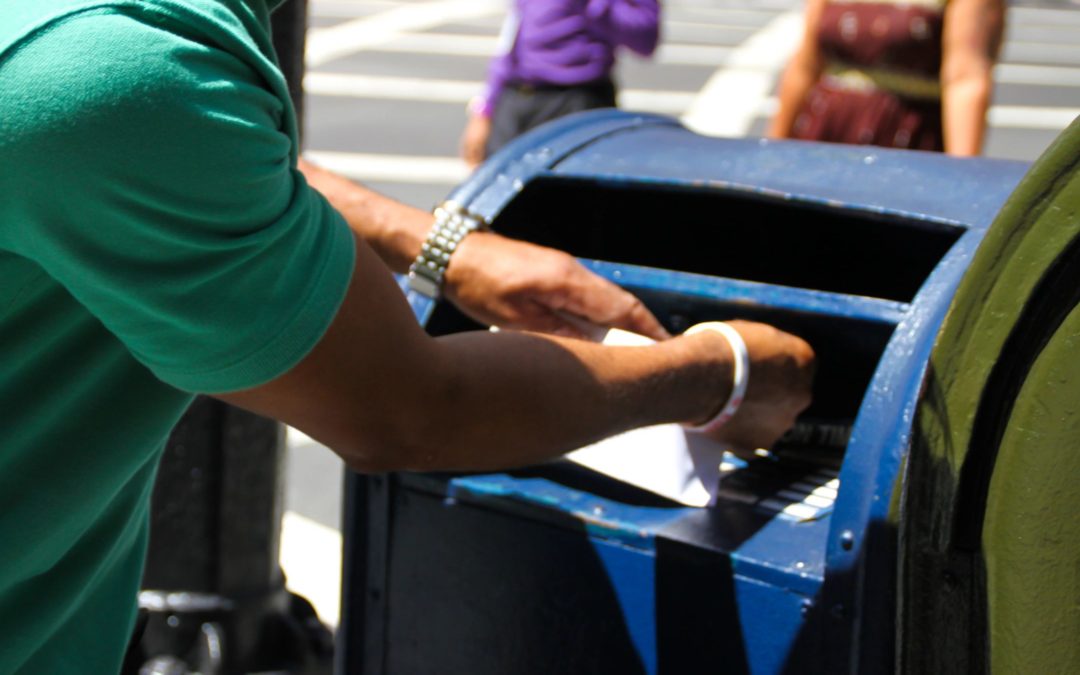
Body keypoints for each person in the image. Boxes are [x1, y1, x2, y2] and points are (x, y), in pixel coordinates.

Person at [0, 0, 814, 672]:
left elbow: (196, 151)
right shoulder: (114, 70)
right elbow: (410, 409)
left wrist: (443, 249)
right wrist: (721, 372)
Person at [768, 0, 1005, 154]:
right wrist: (773, 149)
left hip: (908, 140)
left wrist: (961, 178)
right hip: (824, 134)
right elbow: (806, 65)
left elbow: (965, 80)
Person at [460, 0, 660, 168]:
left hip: (578, 101)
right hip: (517, 97)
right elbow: (512, 33)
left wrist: (593, 6)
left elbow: (646, 38)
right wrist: (484, 110)